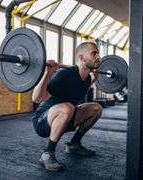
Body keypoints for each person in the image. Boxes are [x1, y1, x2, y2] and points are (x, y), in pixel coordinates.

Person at [31, 42, 103, 171]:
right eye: (94, 53)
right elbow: (36, 98)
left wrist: (93, 79)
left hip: (66, 116)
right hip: (43, 121)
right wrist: (48, 73)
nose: (98, 56)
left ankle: (74, 144)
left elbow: (79, 90)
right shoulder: (65, 74)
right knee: (68, 107)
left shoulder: (86, 78)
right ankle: (48, 153)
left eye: (98, 53)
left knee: (96, 108)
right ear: (81, 58)